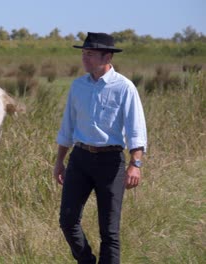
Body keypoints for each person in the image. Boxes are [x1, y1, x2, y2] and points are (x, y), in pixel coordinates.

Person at [53, 32, 147, 264]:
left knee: (109, 231)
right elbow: (67, 127)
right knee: (67, 221)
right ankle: (86, 261)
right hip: (80, 159)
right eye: (84, 53)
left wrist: (135, 164)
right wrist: (59, 162)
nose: (84, 58)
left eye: (90, 54)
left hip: (110, 162)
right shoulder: (78, 86)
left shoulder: (124, 87)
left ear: (107, 57)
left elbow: (136, 130)